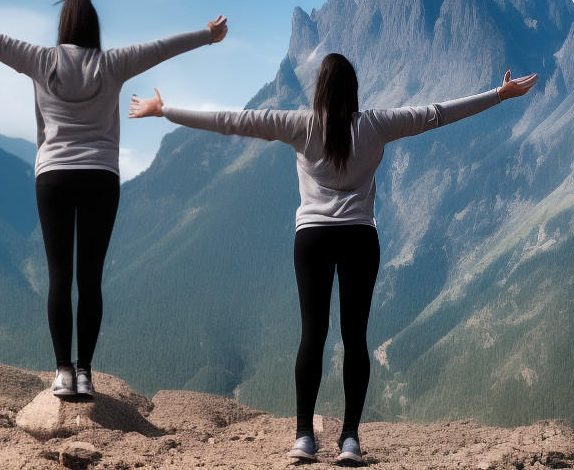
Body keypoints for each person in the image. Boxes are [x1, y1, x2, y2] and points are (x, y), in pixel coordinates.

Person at [129, 52, 537, 463]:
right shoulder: (376, 125)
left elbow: (233, 120)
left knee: (313, 335)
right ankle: (350, 440)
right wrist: (498, 95)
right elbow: (438, 114)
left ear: (319, 90)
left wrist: (165, 111)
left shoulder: (300, 126)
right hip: (360, 238)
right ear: (353, 89)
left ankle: (304, 437)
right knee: (355, 338)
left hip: (312, 240)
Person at [0, 0, 228, 398]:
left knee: (59, 277)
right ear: (93, 27)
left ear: (62, 26)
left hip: (54, 177)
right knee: (90, 279)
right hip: (100, 177)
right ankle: (85, 373)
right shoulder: (112, 63)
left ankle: (62, 371)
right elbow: (161, 48)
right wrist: (207, 35)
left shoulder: (40, 59)